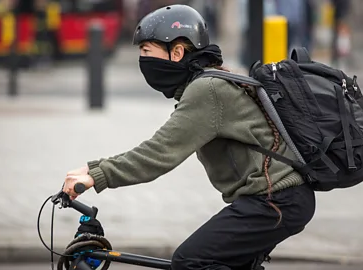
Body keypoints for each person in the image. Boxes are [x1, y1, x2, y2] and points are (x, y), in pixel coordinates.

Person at [62, 4, 315, 270]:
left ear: (177, 52)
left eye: (147, 51)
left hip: (277, 201)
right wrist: (91, 168)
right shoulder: (210, 82)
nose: (143, 61)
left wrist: (97, 175)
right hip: (275, 200)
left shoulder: (208, 90)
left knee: (190, 261)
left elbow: (159, 153)